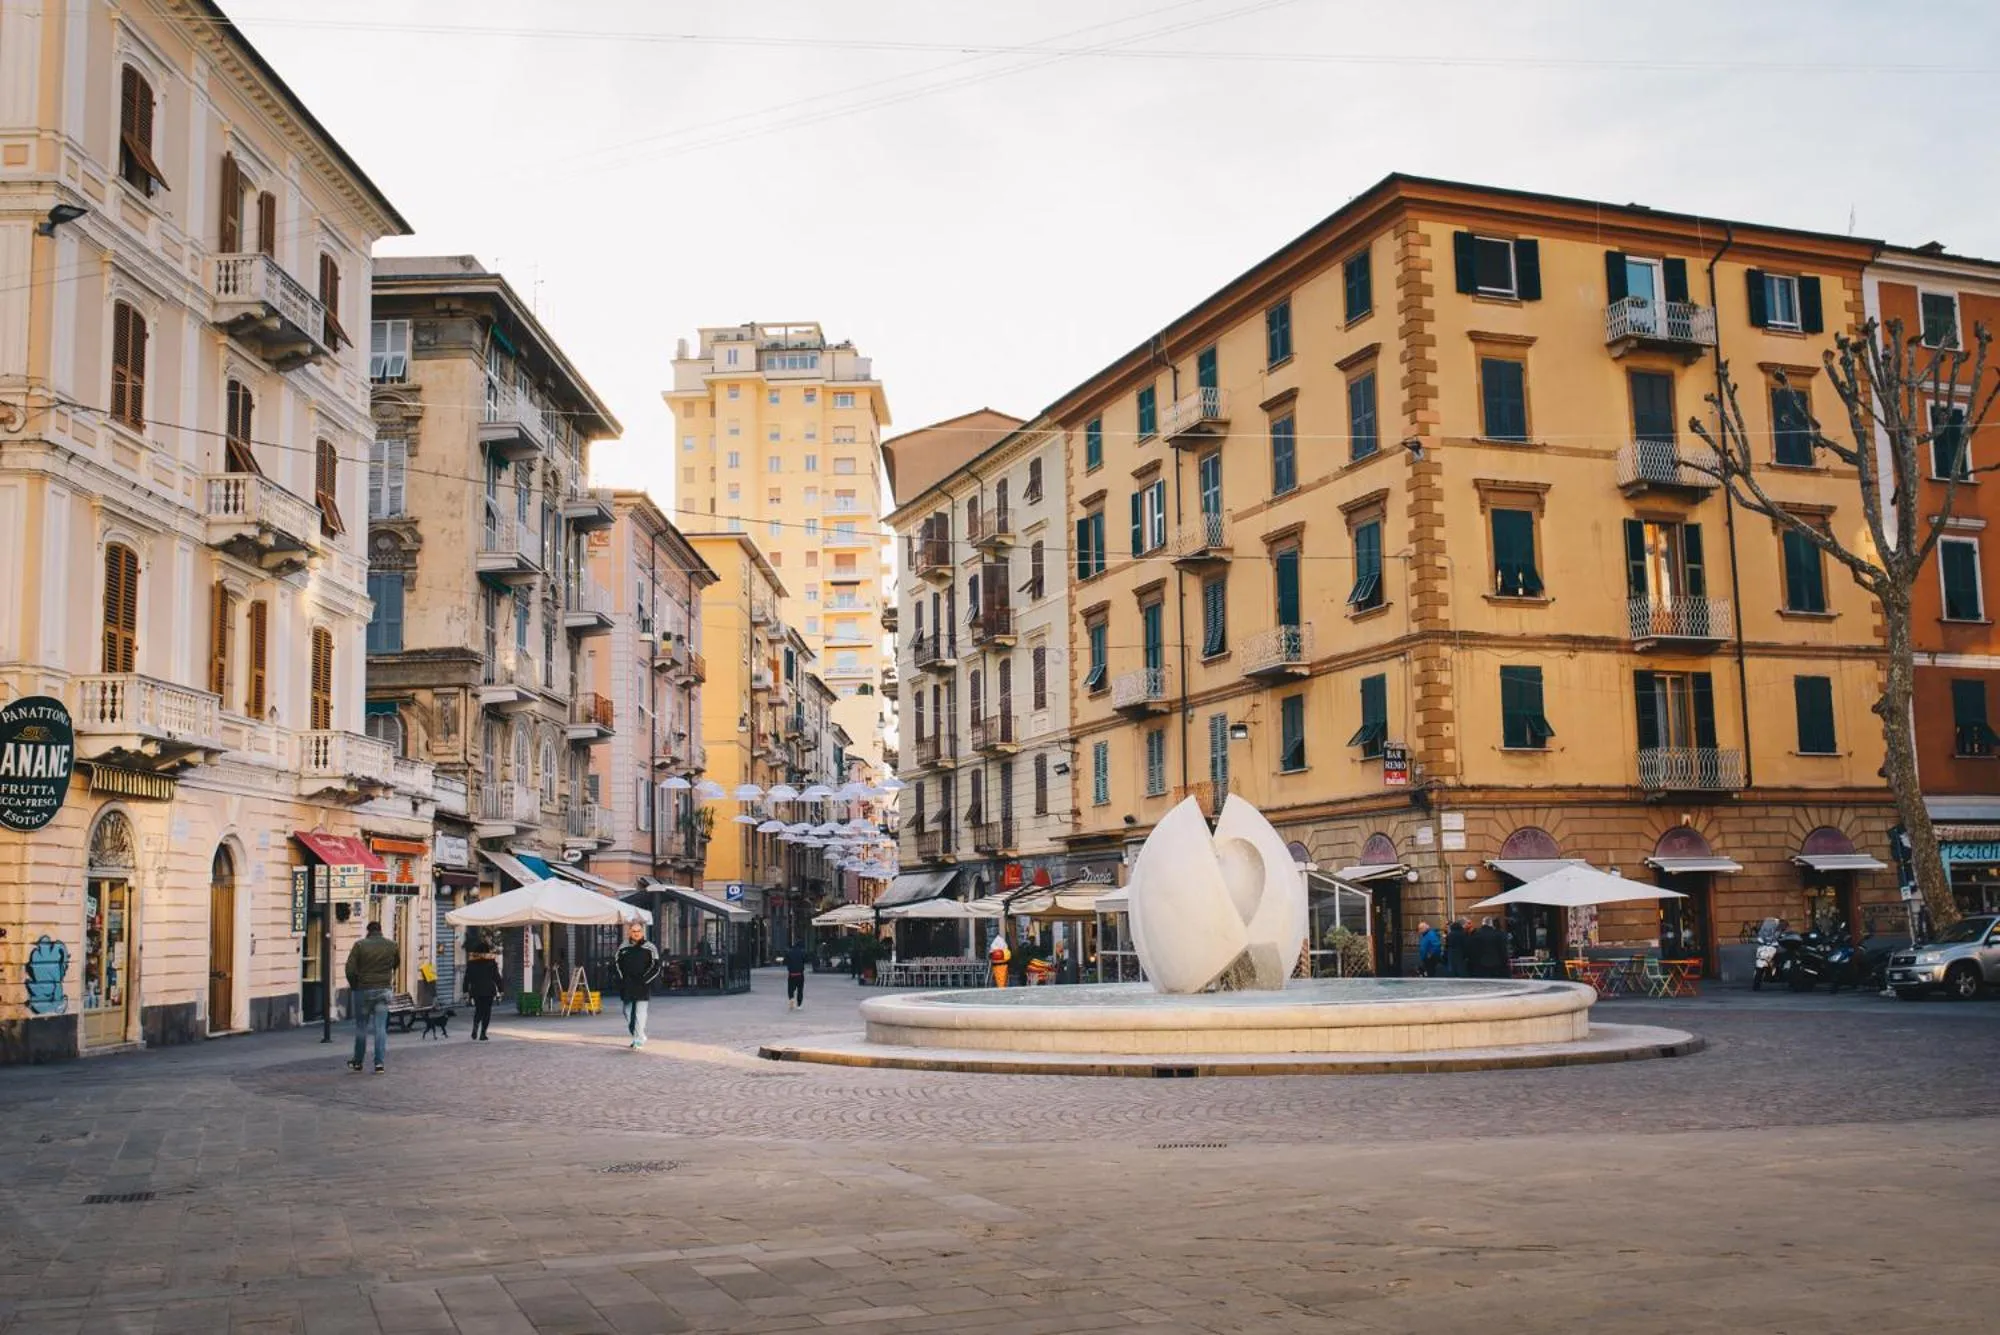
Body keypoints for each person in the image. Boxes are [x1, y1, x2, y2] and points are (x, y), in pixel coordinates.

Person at [344, 921, 398, 1074]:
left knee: (362, 1027)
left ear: (368, 931)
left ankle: (358, 1061)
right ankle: (379, 1063)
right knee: (380, 1028)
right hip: (383, 989)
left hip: (364, 990)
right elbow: (396, 963)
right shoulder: (392, 945)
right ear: (380, 930)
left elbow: (349, 969)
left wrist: (355, 985)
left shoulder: (360, 945)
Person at [613, 920, 662, 1049]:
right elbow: (616, 963)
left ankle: (638, 1039)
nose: (636, 933)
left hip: (642, 984)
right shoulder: (623, 947)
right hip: (627, 984)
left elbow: (656, 967)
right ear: (629, 932)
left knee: (640, 1013)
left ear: (642, 932)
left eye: (638, 931)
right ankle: (638, 1034)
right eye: (634, 931)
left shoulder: (650, 947)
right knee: (627, 1011)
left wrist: (645, 980)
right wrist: (622, 979)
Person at [462, 949, 502, 1041]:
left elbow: (467, 978)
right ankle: (483, 1034)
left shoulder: (472, 964)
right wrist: (501, 989)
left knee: (478, 1010)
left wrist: (465, 991)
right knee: (487, 1012)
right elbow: (497, 977)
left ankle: (475, 1026)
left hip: (476, 990)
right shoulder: (492, 963)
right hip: (489, 991)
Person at [781, 939, 810, 1009]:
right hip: (800, 974)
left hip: (792, 974)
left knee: (790, 989)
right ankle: (799, 1005)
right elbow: (806, 960)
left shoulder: (789, 953)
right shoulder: (802, 953)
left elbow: (784, 962)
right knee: (800, 990)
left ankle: (791, 999)